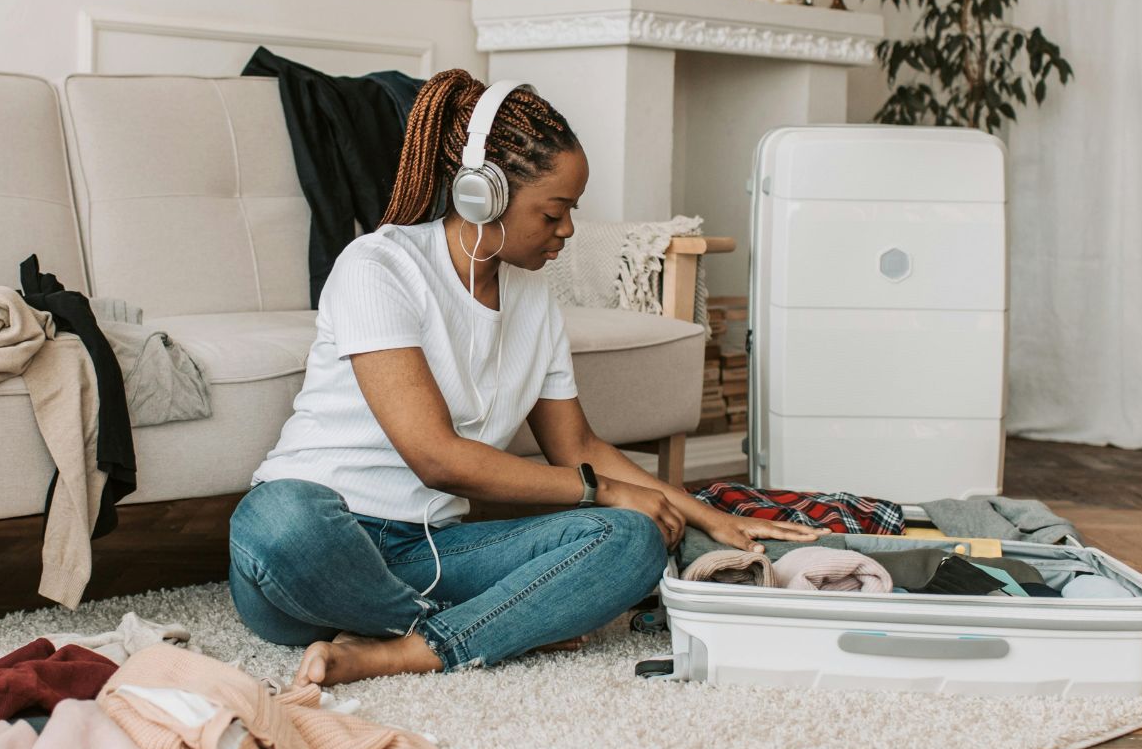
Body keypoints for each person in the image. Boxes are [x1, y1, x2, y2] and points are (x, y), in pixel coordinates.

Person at [228, 70, 823, 687]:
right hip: (315, 549)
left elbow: (578, 446)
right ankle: (484, 626)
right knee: (279, 517)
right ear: (481, 195)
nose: (567, 230)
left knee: (630, 539)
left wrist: (700, 513)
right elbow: (437, 459)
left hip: (430, 552)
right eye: (554, 211)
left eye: (571, 212)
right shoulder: (378, 267)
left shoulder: (534, 298)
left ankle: (405, 648)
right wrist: (601, 490)